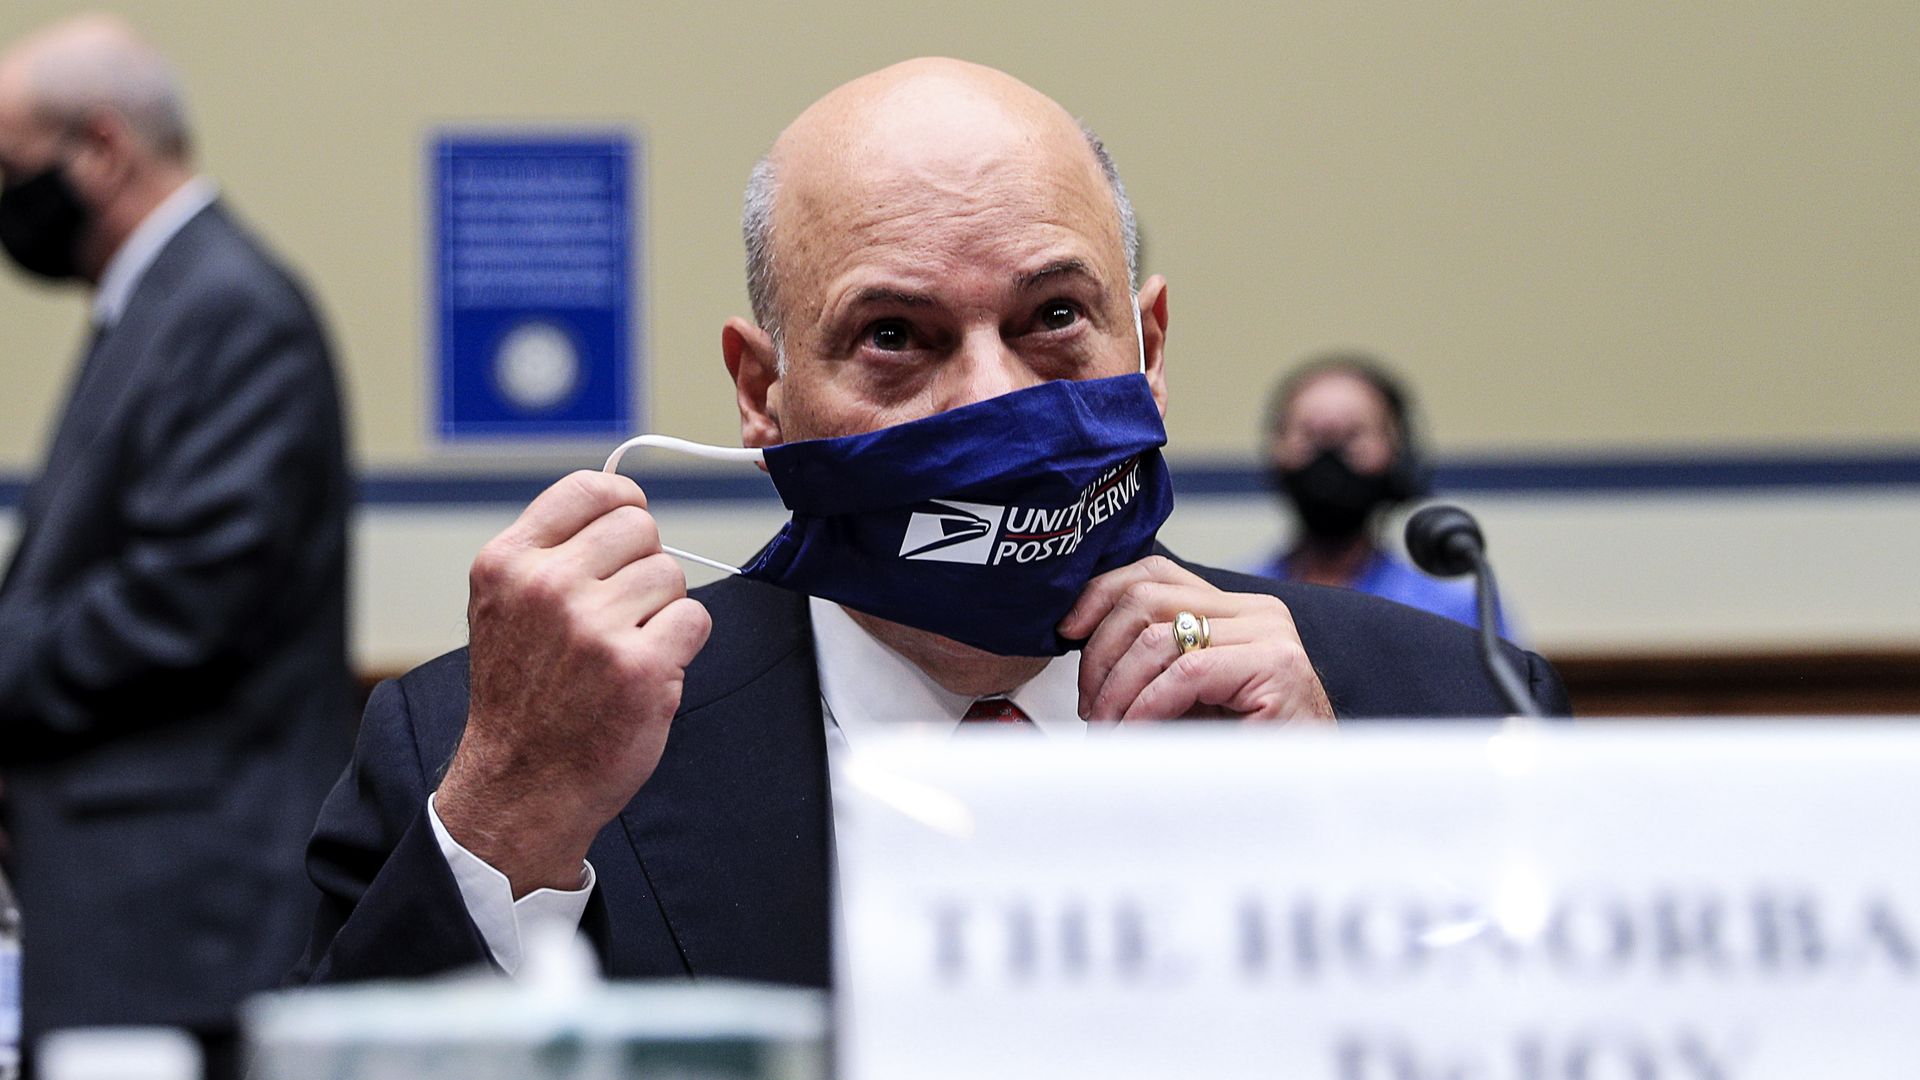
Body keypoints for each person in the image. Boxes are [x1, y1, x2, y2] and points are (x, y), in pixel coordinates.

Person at [297, 58, 1566, 989]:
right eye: (894, 336)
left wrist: (1358, 857)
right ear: (762, 393)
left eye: (1053, 316)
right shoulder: (502, 751)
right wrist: (515, 815)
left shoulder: (1445, 717)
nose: (991, 401)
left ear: (1151, 344)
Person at [0, 14, 351, 1072]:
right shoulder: (166, 301)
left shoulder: (230, 310)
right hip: (139, 904)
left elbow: (184, 600)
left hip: (185, 910)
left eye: (7, 168)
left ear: (102, 150)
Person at [1256, 353, 1513, 634]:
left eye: (1352, 435)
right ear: (1276, 450)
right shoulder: (1236, 598)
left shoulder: (1457, 610)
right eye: (1309, 434)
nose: (1328, 457)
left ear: (1397, 455)